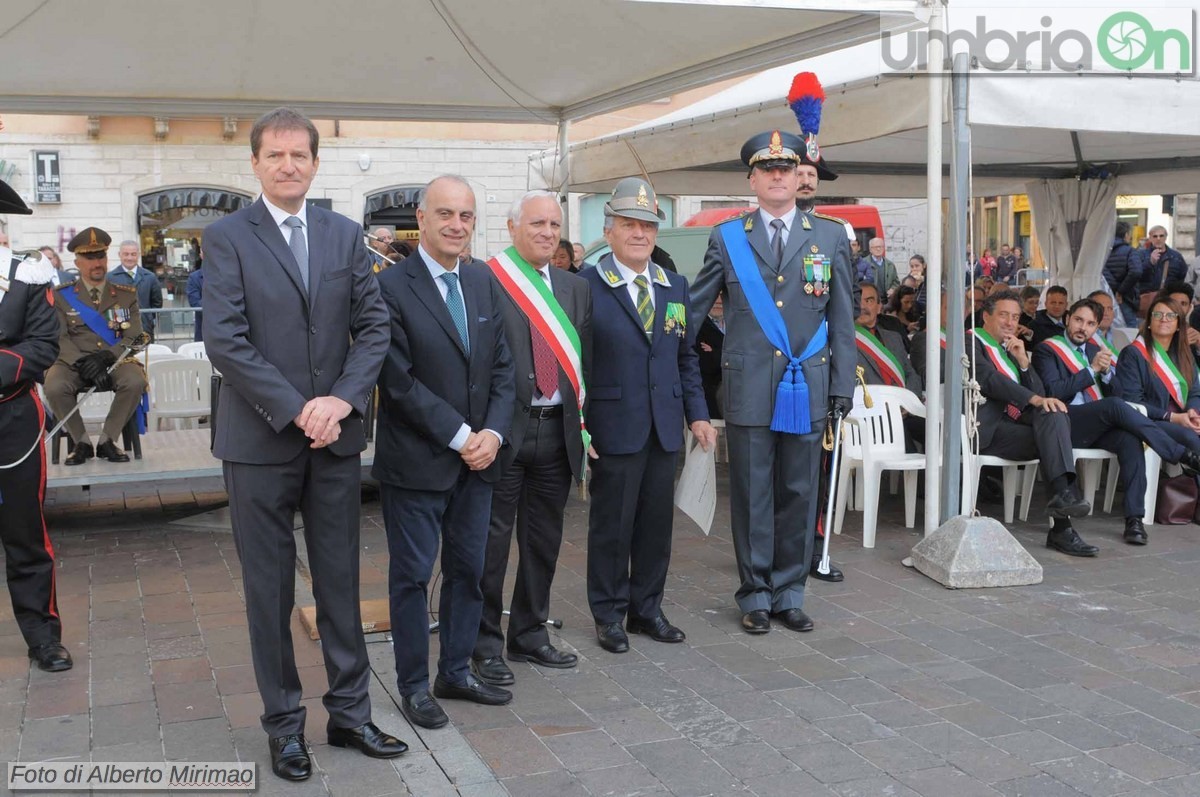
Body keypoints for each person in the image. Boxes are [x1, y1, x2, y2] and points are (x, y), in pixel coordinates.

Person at [202, 108, 403, 781]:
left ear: (316, 163)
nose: (288, 164)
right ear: (255, 163)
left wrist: (339, 401)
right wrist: (298, 410)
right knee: (268, 589)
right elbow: (225, 339)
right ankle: (284, 726)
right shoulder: (227, 236)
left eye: (299, 154)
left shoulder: (346, 236)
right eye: (275, 154)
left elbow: (373, 329)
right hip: (258, 441)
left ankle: (350, 713)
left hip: (335, 439)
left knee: (340, 582)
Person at [690, 104, 855, 633]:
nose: (777, 176)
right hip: (749, 389)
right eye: (767, 169)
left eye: (786, 168)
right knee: (753, 493)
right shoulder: (727, 237)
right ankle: (755, 593)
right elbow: (694, 311)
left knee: (799, 492)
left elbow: (843, 318)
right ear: (753, 178)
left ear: (797, 176)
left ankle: (789, 591)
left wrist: (843, 386)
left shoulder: (829, 237)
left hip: (808, 386)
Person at [373, 175, 516, 729]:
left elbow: (504, 369)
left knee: (468, 572)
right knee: (411, 577)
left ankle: (454, 671)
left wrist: (494, 436)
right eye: (446, 214)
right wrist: (463, 437)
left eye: (467, 216)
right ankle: (413, 685)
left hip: (480, 462)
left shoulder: (481, 283)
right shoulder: (390, 287)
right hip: (418, 463)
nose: (457, 225)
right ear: (422, 218)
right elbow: (399, 381)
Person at [584, 177, 715, 653]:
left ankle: (647, 609)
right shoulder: (587, 284)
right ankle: (609, 614)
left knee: (656, 527)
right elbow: (577, 363)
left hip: (664, 427)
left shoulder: (673, 285)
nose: (639, 233)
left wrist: (698, 415)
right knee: (612, 527)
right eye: (628, 224)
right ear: (610, 230)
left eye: (647, 226)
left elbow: (685, 359)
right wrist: (579, 427)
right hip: (613, 425)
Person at [472, 191, 591, 687]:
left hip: (558, 431)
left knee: (543, 541)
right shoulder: (488, 279)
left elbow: (585, 364)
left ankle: (529, 632)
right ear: (512, 227)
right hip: (505, 435)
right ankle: (482, 643)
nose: (546, 232)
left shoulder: (573, 288)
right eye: (536, 223)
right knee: (491, 545)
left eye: (554, 224)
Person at [1033, 298, 1200, 545]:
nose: (1083, 328)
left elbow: (1121, 396)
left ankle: (1134, 519)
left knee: (1130, 438)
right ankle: (1180, 454)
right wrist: (1091, 371)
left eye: (1090, 324)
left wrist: (1108, 374)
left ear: (1096, 327)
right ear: (1067, 319)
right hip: (1066, 422)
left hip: (1099, 424)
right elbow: (1054, 392)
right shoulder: (1046, 350)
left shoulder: (1093, 349)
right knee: (1113, 407)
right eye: (1078, 320)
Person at [0, 179, 71, 673]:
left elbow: (42, 347)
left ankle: (43, 636)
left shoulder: (26, 274)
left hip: (12, 423)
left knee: (25, 536)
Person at [970, 290, 1097, 556]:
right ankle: (1064, 519)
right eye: (1003, 315)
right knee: (1050, 425)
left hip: (1017, 427)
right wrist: (1036, 399)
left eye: (1015, 317)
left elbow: (1042, 394)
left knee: (1054, 415)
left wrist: (1024, 363)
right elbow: (990, 381)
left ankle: (1063, 508)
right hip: (986, 430)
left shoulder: (1010, 350)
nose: (1009, 322)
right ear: (986, 316)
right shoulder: (972, 343)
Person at [43, 227, 145, 466]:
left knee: (135, 380)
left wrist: (106, 358)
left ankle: (108, 440)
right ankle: (81, 442)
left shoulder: (125, 294)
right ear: (77, 262)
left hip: (114, 360)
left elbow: (134, 335)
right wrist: (81, 362)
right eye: (90, 258)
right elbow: (59, 336)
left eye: (100, 256)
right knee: (55, 385)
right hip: (73, 362)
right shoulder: (61, 295)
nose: (96, 263)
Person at [1116, 294, 1200, 460]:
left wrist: (1193, 412)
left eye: (1170, 315)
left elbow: (1194, 392)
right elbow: (1132, 401)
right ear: (1148, 323)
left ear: (1178, 325)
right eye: (1157, 315)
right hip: (1150, 421)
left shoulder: (1184, 354)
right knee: (1190, 437)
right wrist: (1173, 418)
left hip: (1183, 418)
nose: (1164, 319)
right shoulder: (1133, 354)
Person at [856, 283, 920, 391]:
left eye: (869, 301)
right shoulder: (842, 341)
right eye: (857, 301)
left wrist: (907, 401)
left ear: (879, 307)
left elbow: (911, 375)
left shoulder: (894, 338)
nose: (862, 307)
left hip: (900, 404)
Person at [108, 240, 164, 340]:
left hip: (144, 328)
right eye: (126, 254)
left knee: (145, 355)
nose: (129, 258)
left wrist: (149, 319)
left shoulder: (150, 277)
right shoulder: (109, 278)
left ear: (138, 255)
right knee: (121, 355)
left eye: (133, 254)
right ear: (119, 255)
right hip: (119, 330)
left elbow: (157, 302)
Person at [1134, 226, 1188, 308]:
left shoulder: (1176, 256)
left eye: (1161, 236)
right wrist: (1150, 263)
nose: (1158, 239)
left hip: (1169, 300)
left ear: (1166, 237)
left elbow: (1183, 278)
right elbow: (1135, 275)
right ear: (1150, 238)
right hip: (1146, 300)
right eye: (1155, 236)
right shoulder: (1141, 255)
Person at [695, 294, 726, 419]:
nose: (718, 301)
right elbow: (706, 364)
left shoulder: (738, 324)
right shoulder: (697, 325)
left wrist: (715, 352)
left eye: (722, 296)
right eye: (715, 295)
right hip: (711, 392)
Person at [1104, 221, 1140, 324]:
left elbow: (1102, 271)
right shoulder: (1130, 251)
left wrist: (1114, 288)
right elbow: (1136, 271)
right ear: (1126, 235)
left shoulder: (1103, 251)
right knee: (1129, 332)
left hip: (1106, 295)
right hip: (1126, 298)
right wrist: (1120, 291)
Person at [186, 262, 204, 342]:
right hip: (203, 330)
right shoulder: (194, 277)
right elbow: (195, 303)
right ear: (201, 255)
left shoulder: (227, 275)